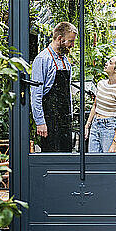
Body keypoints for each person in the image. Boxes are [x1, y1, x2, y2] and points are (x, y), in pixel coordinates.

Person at [30, 22, 78, 152]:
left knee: (67, 157)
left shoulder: (66, 61)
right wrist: (40, 122)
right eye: (70, 41)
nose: (72, 45)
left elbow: (67, 92)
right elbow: (36, 94)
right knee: (51, 157)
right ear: (59, 39)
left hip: (65, 119)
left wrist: (70, 115)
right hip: (49, 119)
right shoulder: (42, 59)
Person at [84, 55, 116, 153]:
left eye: (110, 62)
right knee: (93, 162)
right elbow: (95, 106)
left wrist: (115, 142)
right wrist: (87, 126)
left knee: (109, 163)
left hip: (109, 128)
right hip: (95, 125)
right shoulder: (101, 84)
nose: (106, 63)